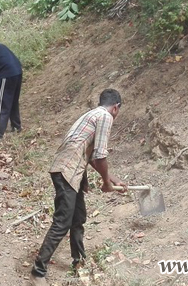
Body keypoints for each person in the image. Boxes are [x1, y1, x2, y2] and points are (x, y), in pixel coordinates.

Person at [30, 89, 128, 285]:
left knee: (78, 218)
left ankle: (79, 262)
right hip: (68, 170)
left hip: (68, 169)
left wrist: (113, 179)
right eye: (117, 110)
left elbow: (90, 155)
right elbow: (100, 155)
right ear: (116, 107)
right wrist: (106, 183)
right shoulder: (105, 117)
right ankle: (38, 271)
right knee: (63, 222)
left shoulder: (91, 115)